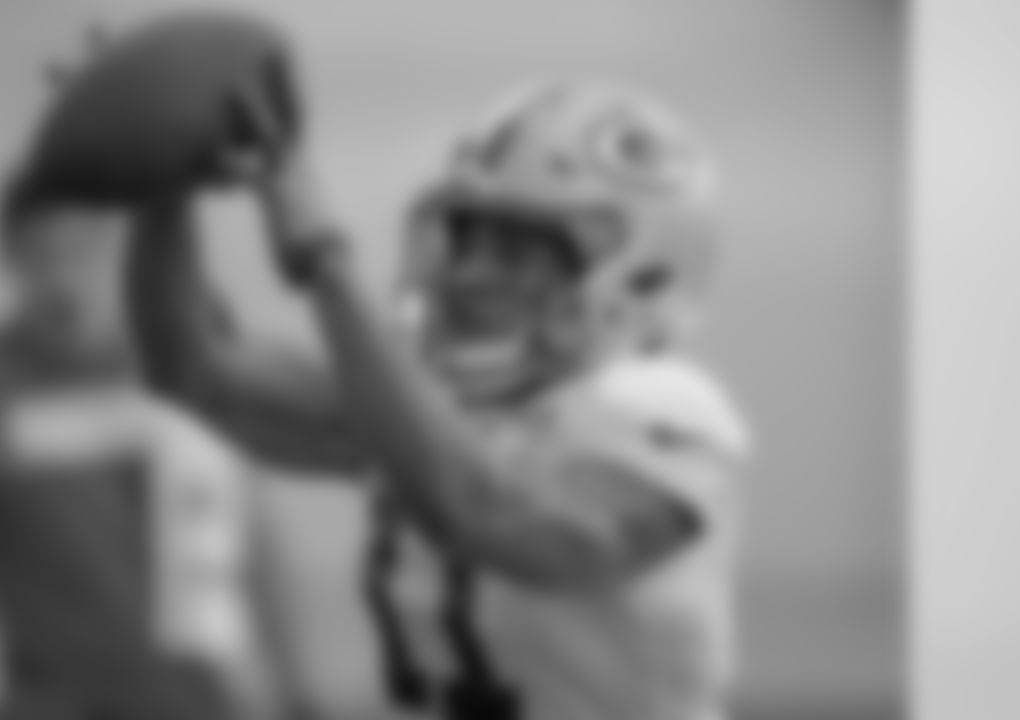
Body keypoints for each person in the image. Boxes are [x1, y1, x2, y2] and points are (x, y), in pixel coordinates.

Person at [128, 78, 752, 720]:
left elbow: (504, 521)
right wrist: (161, 193)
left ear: (642, 275)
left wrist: (324, 259)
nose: (468, 273)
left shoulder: (662, 405)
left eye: (516, 250)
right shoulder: (441, 409)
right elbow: (196, 374)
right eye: (464, 236)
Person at [0, 169, 275, 720]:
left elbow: (253, 541)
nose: (62, 275)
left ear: (117, 247)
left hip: (194, 697)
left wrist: (297, 686)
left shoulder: (183, 361)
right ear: (8, 257)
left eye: (80, 249)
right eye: (40, 253)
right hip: (46, 699)